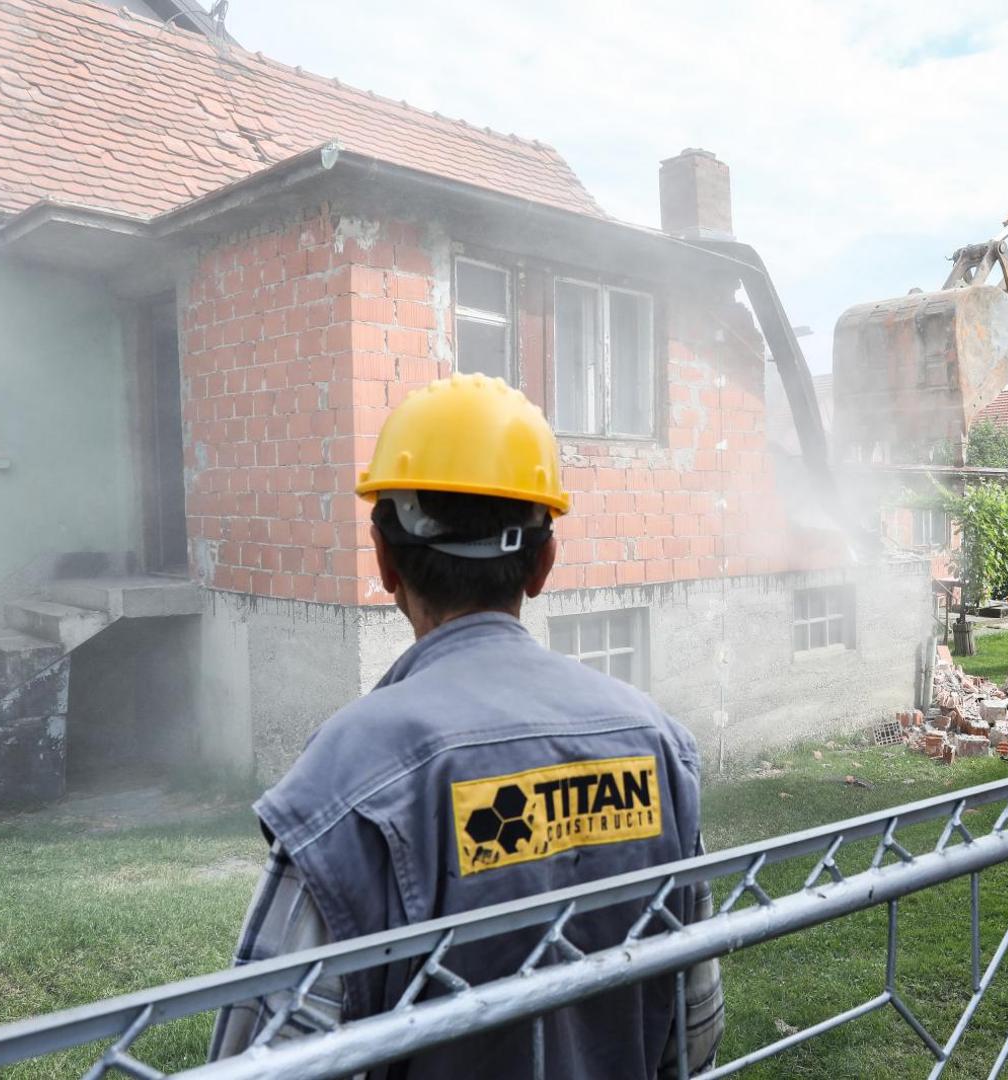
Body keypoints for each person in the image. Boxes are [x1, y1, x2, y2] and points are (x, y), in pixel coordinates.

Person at [210, 374, 723, 1078]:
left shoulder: (349, 778)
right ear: (543, 563)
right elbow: (693, 1030)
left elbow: (270, 1059)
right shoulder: (658, 744)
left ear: (385, 560)